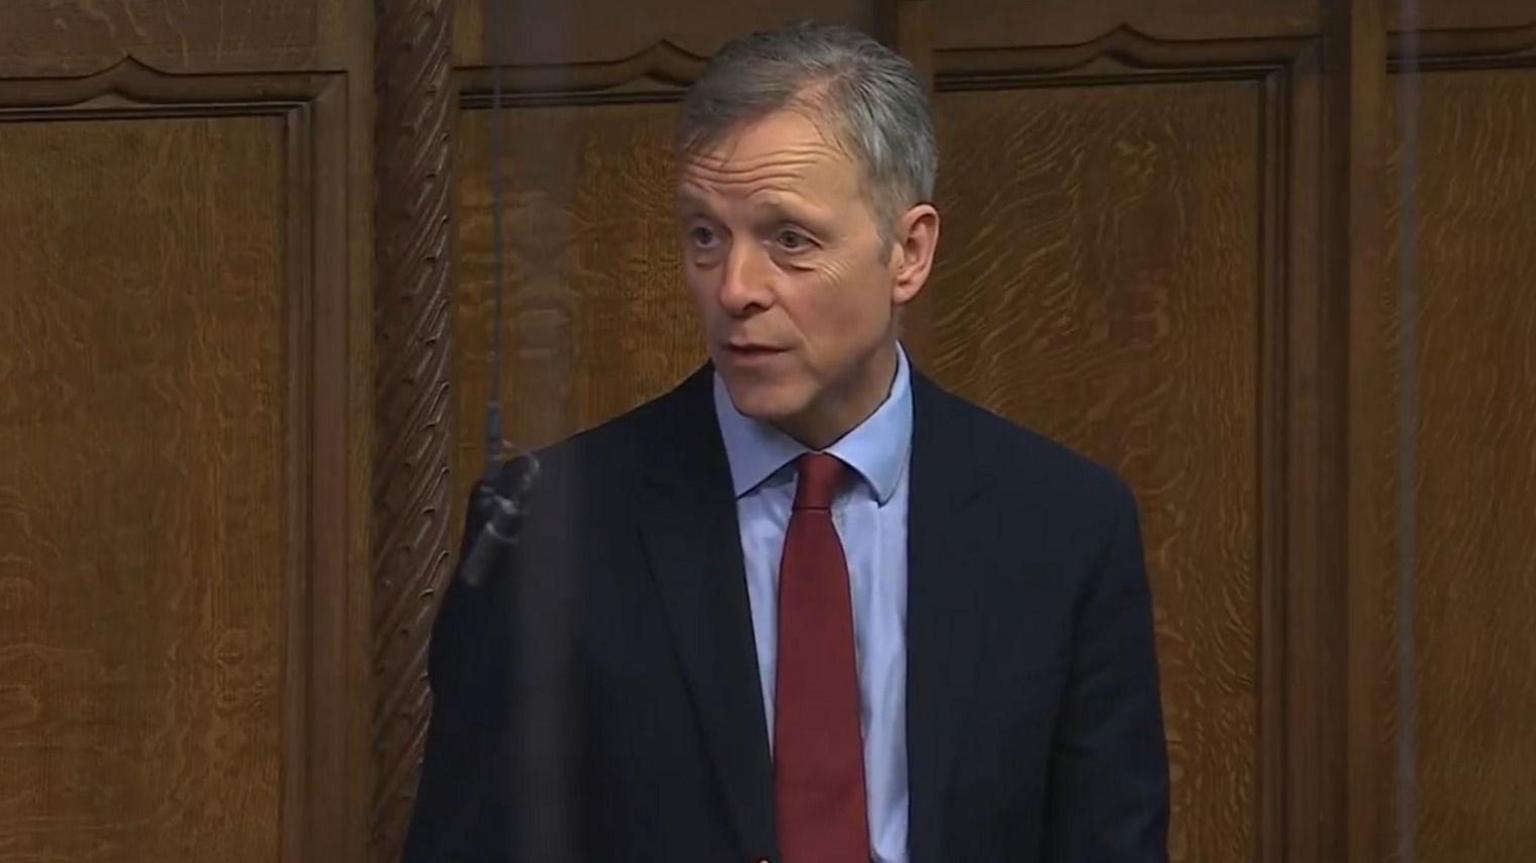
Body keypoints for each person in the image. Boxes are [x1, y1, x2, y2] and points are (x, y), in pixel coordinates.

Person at [404, 20, 1168, 863]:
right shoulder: (550, 529)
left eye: (788, 240)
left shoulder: (1063, 526)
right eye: (705, 236)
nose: (735, 289)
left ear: (908, 251)